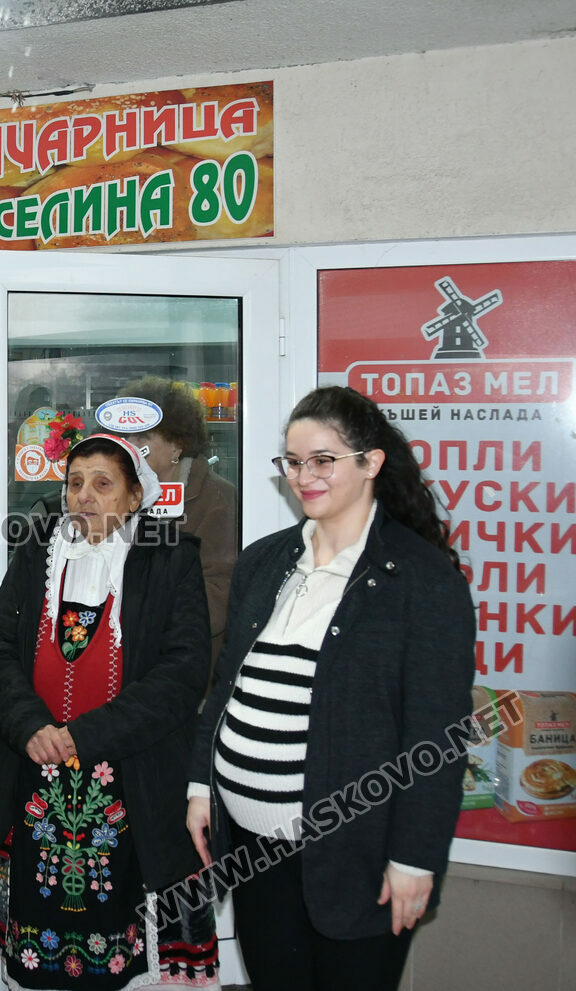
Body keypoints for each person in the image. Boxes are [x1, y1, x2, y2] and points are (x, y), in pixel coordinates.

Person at [186, 385, 475, 991]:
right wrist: (200, 786)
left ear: (371, 462)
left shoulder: (421, 580)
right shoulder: (264, 562)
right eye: (293, 462)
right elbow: (226, 685)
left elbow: (438, 737)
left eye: (323, 460)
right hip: (254, 852)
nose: (303, 477)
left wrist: (414, 859)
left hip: (356, 855)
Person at [0, 432, 216, 990]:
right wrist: (30, 726)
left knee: (129, 956)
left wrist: (86, 736)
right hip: (35, 779)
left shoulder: (171, 559)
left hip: (133, 782)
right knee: (38, 951)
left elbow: (182, 673)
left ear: (135, 497)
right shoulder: (38, 552)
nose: (84, 496)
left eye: (103, 484)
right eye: (74, 483)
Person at [117, 375, 237, 680]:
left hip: (183, 670)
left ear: (177, 444)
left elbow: (218, 596)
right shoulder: (118, 495)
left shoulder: (218, 500)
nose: (131, 447)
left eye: (142, 438)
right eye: (126, 437)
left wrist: (140, 619)